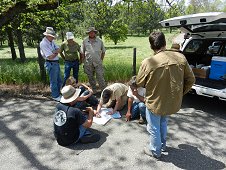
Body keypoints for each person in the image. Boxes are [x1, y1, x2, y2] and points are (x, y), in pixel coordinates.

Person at [136, 31, 195, 158]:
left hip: (154, 102)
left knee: (153, 127)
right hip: (170, 101)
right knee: (163, 123)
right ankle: (162, 145)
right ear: (165, 43)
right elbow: (191, 80)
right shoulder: (181, 58)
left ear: (151, 46)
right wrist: (180, 93)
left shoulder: (148, 62)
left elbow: (139, 82)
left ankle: (155, 151)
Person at [80, 27, 106, 94]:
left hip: (98, 63)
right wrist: (83, 61)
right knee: (90, 78)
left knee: (100, 77)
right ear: (88, 33)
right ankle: (94, 91)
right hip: (88, 63)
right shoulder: (85, 41)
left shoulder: (100, 41)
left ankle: (104, 92)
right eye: (90, 32)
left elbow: (103, 51)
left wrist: (101, 60)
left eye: (93, 32)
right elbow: (82, 52)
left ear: (95, 33)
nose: (91, 33)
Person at [40, 27, 62, 101]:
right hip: (51, 63)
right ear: (47, 35)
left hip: (55, 63)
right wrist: (56, 52)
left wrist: (55, 51)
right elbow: (50, 57)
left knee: (59, 80)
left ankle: (59, 94)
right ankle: (55, 96)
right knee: (54, 81)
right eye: (52, 36)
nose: (53, 38)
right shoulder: (43, 43)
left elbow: (59, 49)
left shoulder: (51, 42)